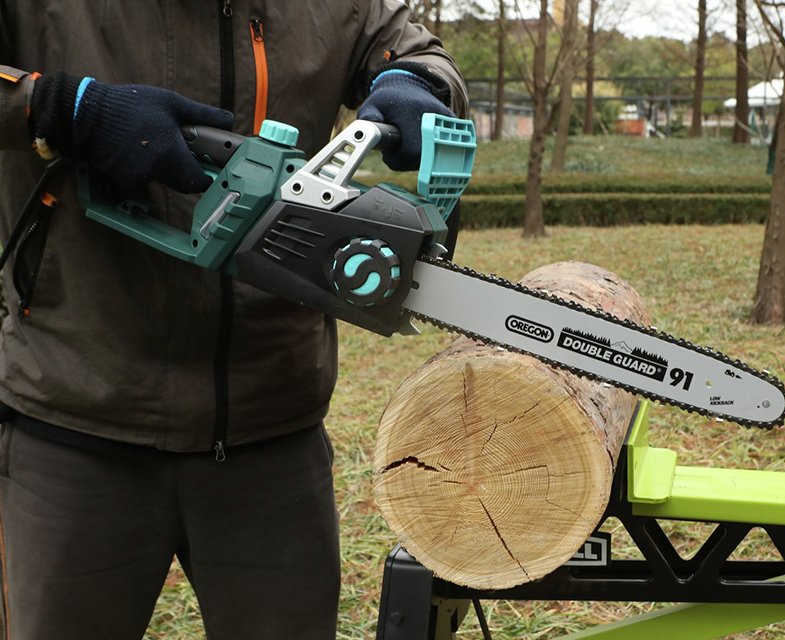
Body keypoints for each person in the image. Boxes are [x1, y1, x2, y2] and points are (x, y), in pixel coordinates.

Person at [0, 2, 467, 638]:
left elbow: (411, 47)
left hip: (271, 431)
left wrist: (415, 81)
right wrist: (61, 106)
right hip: (76, 417)